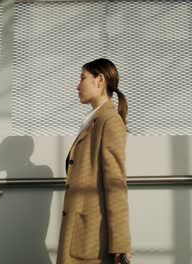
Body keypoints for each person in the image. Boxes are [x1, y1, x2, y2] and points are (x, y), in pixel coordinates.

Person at [57, 58, 132, 264]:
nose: (77, 85)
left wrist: (121, 244)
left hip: (91, 242)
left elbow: (115, 184)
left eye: (82, 78)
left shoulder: (110, 122)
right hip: (80, 237)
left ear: (100, 80)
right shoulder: (94, 121)